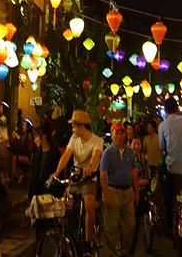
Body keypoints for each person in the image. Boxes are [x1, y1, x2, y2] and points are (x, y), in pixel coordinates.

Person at [53, 109, 104, 253]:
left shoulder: (97, 141)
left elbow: (96, 156)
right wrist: (56, 172)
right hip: (75, 177)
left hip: (89, 179)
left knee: (89, 203)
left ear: (81, 127)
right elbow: (66, 156)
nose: (72, 129)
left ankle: (87, 242)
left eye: (74, 126)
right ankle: (63, 238)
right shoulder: (74, 139)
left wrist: (90, 167)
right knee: (63, 206)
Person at [158, 97, 182, 231]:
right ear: (177, 108)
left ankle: (168, 225)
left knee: (168, 193)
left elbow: (162, 148)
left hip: (172, 167)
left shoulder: (162, 126)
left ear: (165, 110)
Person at [99, 122, 138, 257]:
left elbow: (134, 173)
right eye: (117, 133)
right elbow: (103, 177)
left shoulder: (130, 152)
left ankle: (123, 251)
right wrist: (107, 196)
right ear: (112, 134)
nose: (120, 136)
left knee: (131, 225)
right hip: (113, 191)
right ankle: (112, 254)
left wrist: (136, 192)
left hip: (128, 192)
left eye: (122, 133)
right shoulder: (107, 153)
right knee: (112, 228)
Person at [127, 136, 152, 257]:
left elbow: (148, 178)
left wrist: (136, 182)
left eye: (138, 144)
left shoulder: (144, 159)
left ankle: (132, 250)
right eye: (134, 144)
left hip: (140, 194)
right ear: (130, 145)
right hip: (127, 194)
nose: (136, 146)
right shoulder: (126, 159)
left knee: (137, 224)